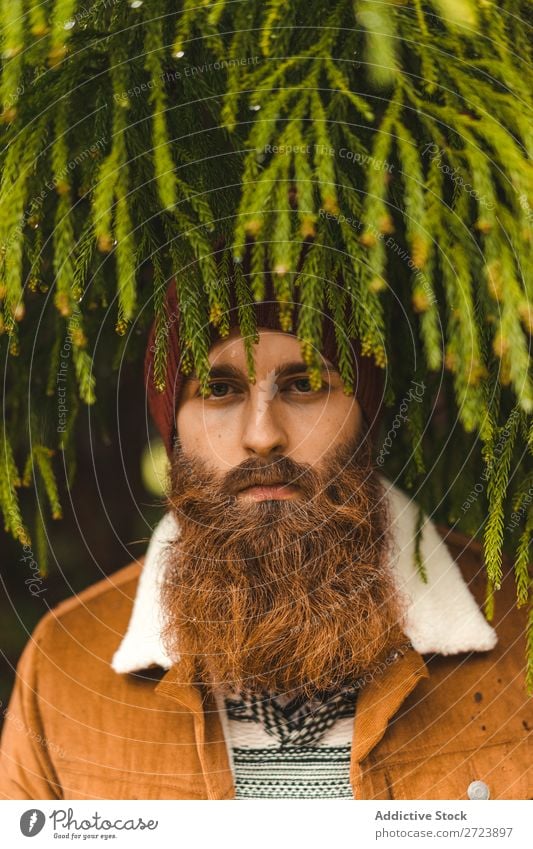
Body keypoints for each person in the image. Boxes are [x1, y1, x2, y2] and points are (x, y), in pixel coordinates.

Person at [0, 278, 530, 800]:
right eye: (219, 389)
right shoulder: (65, 665)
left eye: (304, 385)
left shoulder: (520, 630)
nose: (261, 436)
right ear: (173, 427)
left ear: (365, 414)